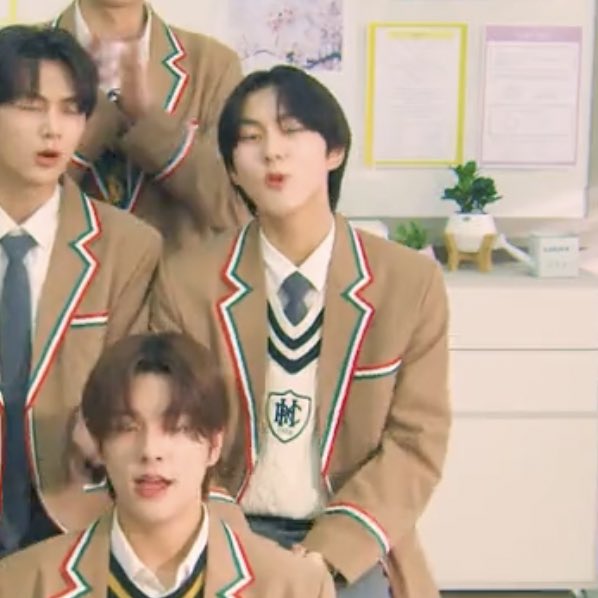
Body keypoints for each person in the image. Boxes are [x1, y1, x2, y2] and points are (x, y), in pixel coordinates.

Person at [151, 65, 451, 597]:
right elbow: (173, 429)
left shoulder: (408, 283)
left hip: (351, 532)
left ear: (334, 151)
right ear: (232, 170)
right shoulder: (187, 281)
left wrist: (326, 554)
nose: (272, 151)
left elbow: (415, 442)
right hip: (221, 525)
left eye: (291, 131)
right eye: (250, 138)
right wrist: (244, 552)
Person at [0, 333, 335, 597]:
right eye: (127, 427)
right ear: (100, 444)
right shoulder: (21, 584)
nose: (151, 451)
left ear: (214, 445)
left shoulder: (295, 588)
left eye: (177, 428)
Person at [0, 24, 161, 556]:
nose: (53, 129)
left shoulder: (126, 247)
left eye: (71, 110)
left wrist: (102, 422)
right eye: (30, 106)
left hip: (73, 511)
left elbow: (132, 379)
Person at [50, 0, 248, 249]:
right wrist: (91, 127)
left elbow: (238, 209)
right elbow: (10, 204)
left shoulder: (212, 66)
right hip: (57, 271)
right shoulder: (17, 60)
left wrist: (151, 125)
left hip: (175, 271)